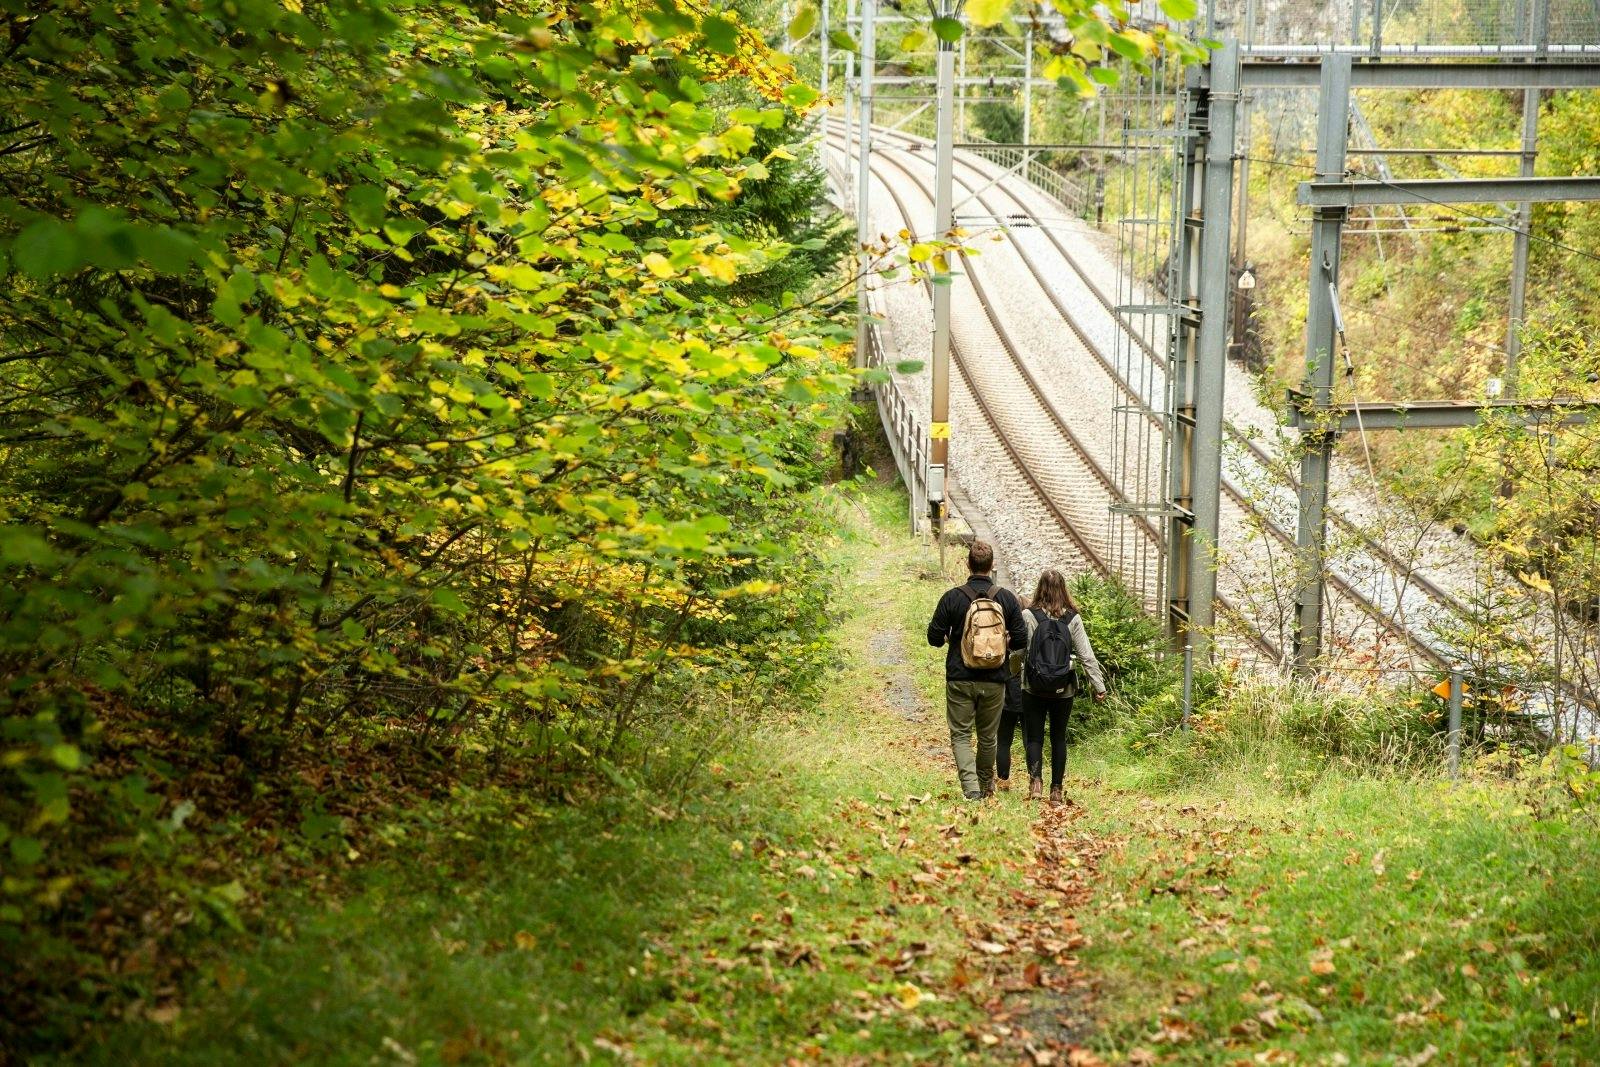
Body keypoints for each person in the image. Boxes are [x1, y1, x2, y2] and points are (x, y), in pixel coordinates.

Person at [927, 540, 1027, 800]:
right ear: (992, 566)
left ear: (968, 564)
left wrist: (952, 637)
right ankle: (986, 785)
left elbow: (933, 638)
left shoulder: (952, 597)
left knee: (961, 735)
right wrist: (1001, 642)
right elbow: (1021, 639)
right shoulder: (1006, 598)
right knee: (988, 736)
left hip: (960, 678)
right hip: (995, 680)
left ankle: (970, 789)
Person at [1020, 568, 1107, 806]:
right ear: (1063, 589)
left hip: (1033, 687)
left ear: (1040, 588)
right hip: (1063, 688)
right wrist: (1098, 685)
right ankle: (1056, 789)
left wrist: (1015, 679)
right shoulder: (1073, 618)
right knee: (1058, 737)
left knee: (1035, 736)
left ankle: (1035, 781)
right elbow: (1086, 655)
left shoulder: (1029, 615)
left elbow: (1022, 651)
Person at [995, 595, 1030, 791]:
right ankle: (1034, 779)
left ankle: (1003, 781)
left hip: (1007, 691)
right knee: (1030, 739)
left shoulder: (1002, 634)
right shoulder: (1029, 631)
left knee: (1004, 740)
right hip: (1029, 691)